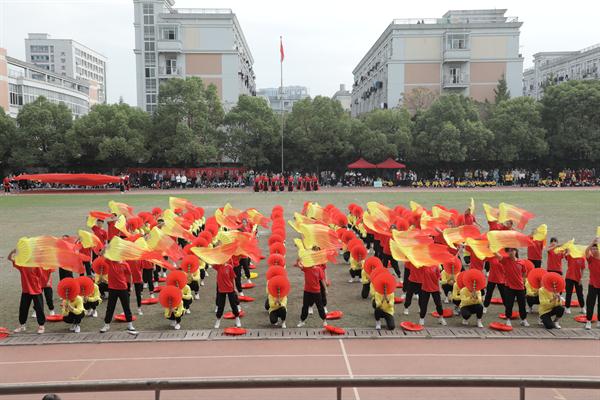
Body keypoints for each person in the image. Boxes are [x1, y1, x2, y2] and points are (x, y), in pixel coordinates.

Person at [9, 250, 46, 334]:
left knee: (39, 309)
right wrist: (14, 251)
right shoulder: (22, 265)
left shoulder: (36, 264)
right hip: (26, 290)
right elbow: (10, 258)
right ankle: (22, 325)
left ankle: (41, 326)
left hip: (36, 290)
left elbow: (40, 275)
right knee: (23, 308)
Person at [100, 258, 137, 334]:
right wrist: (106, 249)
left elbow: (129, 275)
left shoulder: (125, 264)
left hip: (123, 288)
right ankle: (106, 325)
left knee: (126, 307)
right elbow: (103, 255)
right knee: (110, 307)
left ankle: (130, 324)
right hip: (112, 289)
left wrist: (131, 286)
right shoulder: (110, 262)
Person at [498, 248, 529, 327]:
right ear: (507, 252)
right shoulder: (505, 260)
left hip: (520, 287)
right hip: (509, 287)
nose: (511, 252)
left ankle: (523, 320)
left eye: (512, 250)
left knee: (522, 305)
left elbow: (524, 272)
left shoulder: (521, 262)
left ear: (516, 251)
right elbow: (498, 256)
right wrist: (491, 249)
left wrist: (523, 281)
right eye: (509, 251)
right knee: (509, 304)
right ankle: (508, 319)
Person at [296, 260, 328, 327]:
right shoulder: (306, 268)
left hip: (316, 291)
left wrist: (325, 289)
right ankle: (302, 321)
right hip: (307, 291)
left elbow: (322, 280)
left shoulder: (319, 269)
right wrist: (298, 260)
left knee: (320, 306)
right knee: (305, 306)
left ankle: (324, 320)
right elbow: (299, 265)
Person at [212, 260, 241, 329]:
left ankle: (237, 319)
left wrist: (234, 288)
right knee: (220, 306)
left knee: (233, 305)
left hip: (230, 289)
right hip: (221, 290)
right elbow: (211, 262)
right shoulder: (218, 266)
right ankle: (218, 320)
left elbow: (232, 278)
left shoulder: (229, 267)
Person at [564, 248, 586, 314]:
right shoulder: (570, 255)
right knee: (569, 293)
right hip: (569, 277)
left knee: (580, 293)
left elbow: (582, 269)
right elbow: (565, 255)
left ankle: (582, 307)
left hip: (578, 278)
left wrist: (581, 278)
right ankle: (567, 308)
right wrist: (567, 251)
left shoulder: (582, 258)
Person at [585, 240, 600, 330]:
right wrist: (593, 242)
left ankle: (599, 322)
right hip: (592, 285)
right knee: (590, 303)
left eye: (596, 249)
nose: (593, 250)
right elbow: (586, 251)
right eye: (592, 249)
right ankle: (588, 321)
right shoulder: (590, 259)